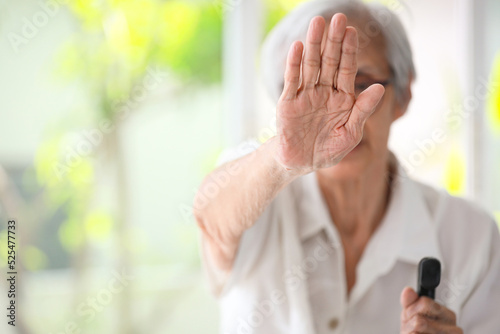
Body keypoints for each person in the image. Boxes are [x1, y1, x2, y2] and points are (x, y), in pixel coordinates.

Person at [193, 1, 500, 333]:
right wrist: (283, 156)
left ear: (404, 94)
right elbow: (211, 219)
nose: (339, 117)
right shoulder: (257, 190)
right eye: (314, 90)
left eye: (362, 84)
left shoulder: (471, 236)